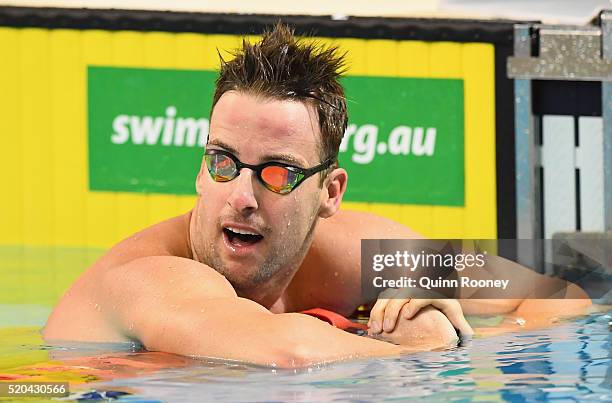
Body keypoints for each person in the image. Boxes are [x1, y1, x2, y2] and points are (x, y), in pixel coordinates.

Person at [43, 23, 590, 367]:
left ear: (330, 192)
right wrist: (425, 348)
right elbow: (290, 352)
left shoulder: (357, 254)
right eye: (224, 162)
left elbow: (560, 296)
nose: (242, 196)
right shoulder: (155, 276)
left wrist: (487, 335)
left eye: (277, 173)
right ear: (201, 168)